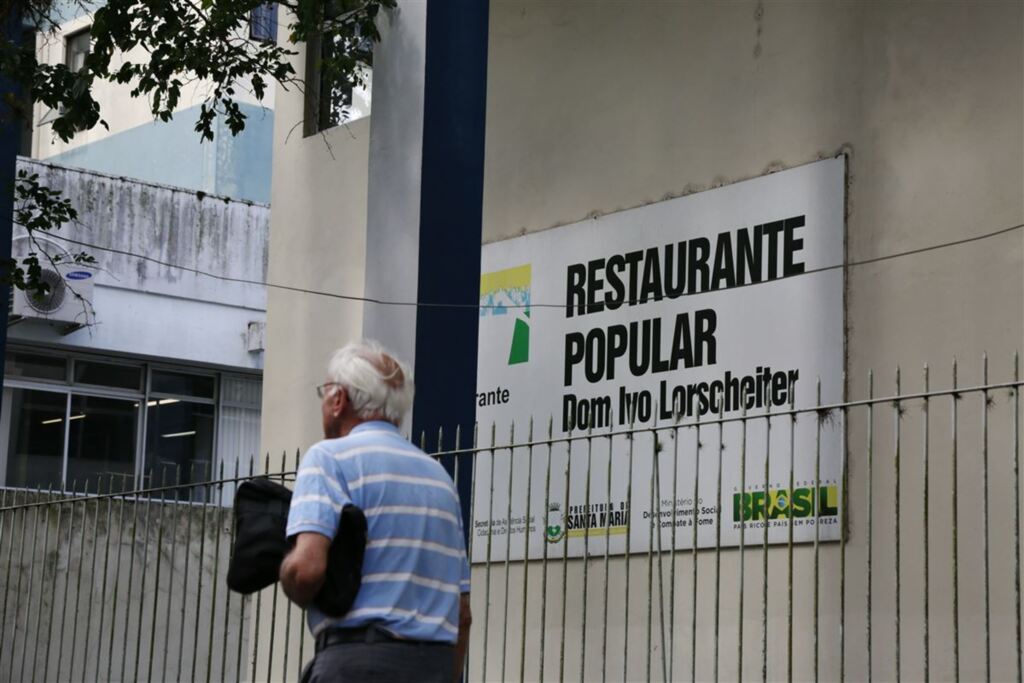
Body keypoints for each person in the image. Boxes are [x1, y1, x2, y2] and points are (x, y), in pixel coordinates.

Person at [280, 340, 472, 683]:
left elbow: (307, 571)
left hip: (357, 663)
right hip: (434, 667)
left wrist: (285, 568)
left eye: (324, 392)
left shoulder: (328, 459)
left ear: (338, 399)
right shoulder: (441, 480)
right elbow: (462, 613)